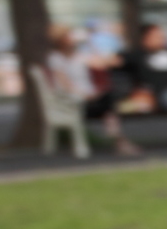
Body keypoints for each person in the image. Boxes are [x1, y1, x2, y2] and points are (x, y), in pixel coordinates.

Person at [47, 24, 141, 156]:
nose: (72, 38)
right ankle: (120, 141)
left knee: (109, 102)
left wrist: (90, 42)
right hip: (73, 102)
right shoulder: (55, 59)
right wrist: (84, 95)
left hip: (91, 100)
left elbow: (102, 63)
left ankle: (119, 140)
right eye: (68, 36)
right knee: (109, 105)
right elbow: (65, 85)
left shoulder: (79, 55)